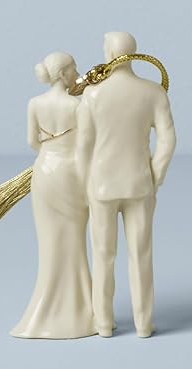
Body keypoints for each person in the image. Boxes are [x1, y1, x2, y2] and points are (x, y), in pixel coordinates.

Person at [75, 31, 176, 338]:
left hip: (102, 185)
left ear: (109, 53)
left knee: (103, 256)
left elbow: (83, 146)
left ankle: (104, 323)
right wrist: (155, 175)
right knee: (141, 255)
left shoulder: (93, 95)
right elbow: (168, 139)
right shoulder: (153, 92)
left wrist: (85, 183)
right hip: (139, 184)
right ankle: (144, 323)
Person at [10, 51, 97, 339]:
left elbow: (32, 142)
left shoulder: (34, 104)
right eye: (73, 69)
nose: (77, 73)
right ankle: (81, 314)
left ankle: (44, 311)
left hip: (44, 173)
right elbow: (86, 145)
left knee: (49, 243)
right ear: (63, 74)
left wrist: (50, 154)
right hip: (71, 174)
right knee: (74, 242)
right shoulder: (78, 105)